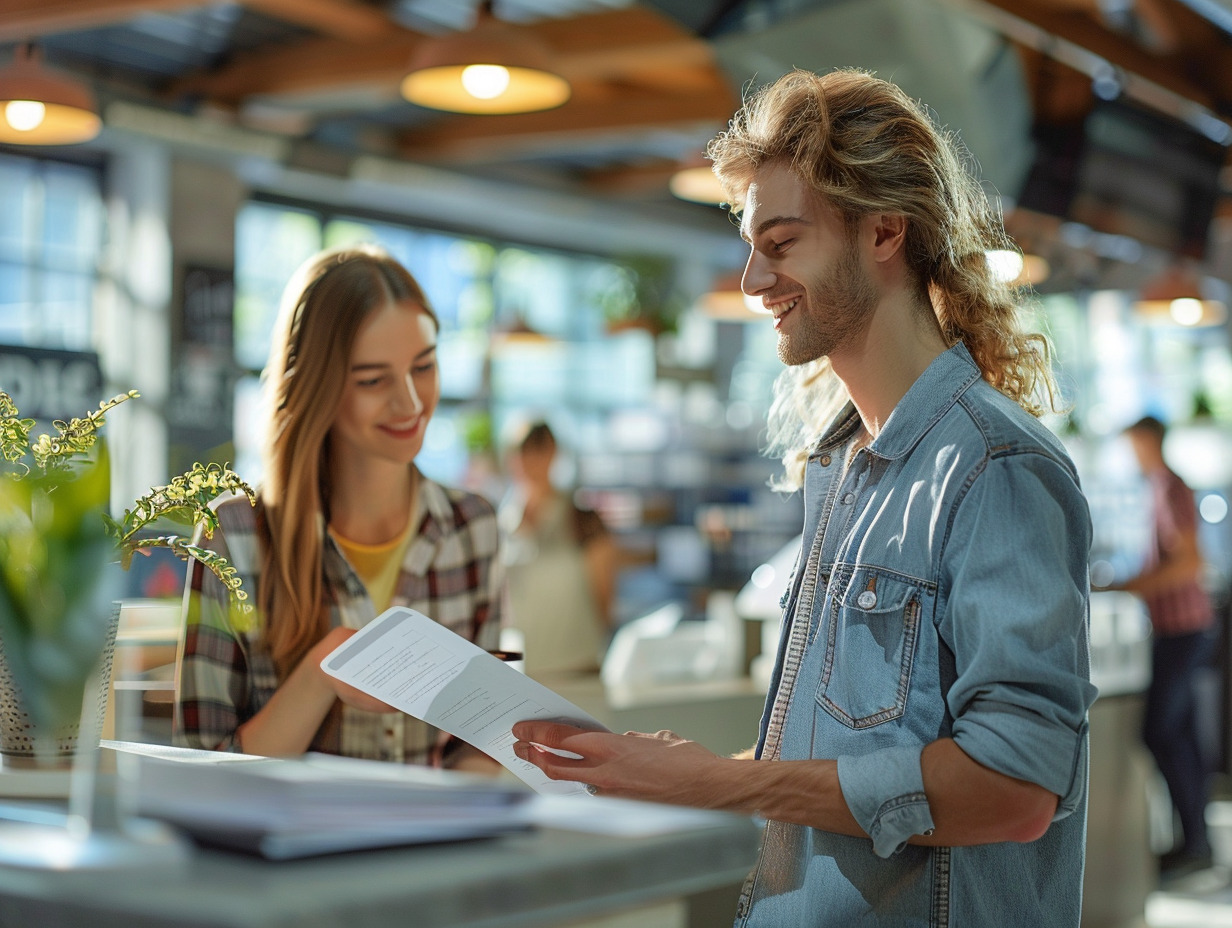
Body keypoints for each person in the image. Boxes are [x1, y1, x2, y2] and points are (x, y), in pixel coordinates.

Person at [512, 68, 1096, 927]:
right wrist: (690, 773)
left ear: (885, 232)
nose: (753, 280)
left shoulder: (994, 466)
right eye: (753, 245)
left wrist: (724, 781)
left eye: (781, 243)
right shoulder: (844, 465)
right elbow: (854, 760)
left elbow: (1015, 788)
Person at [174, 244, 504, 772]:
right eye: (373, 380)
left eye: (424, 366)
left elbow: (480, 742)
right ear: (317, 385)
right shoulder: (233, 536)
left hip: (440, 849)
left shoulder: (474, 527)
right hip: (289, 854)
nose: (412, 404)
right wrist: (320, 674)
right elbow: (198, 772)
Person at [1108, 415, 1215, 876]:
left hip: (1183, 628)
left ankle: (1192, 841)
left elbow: (1190, 562)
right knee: (1182, 736)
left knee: (1162, 732)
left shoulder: (1171, 487)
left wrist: (1131, 586)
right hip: (1177, 629)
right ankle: (1195, 841)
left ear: (1148, 440)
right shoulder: (1157, 487)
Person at [498, 420, 617, 678]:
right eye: (521, 451)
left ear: (554, 453)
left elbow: (605, 599)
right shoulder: (501, 523)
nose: (529, 461)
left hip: (578, 667)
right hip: (523, 672)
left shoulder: (582, 520)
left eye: (538, 450)